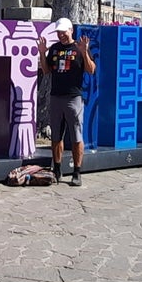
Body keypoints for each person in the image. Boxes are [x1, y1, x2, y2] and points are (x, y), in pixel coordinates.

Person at [39, 17, 96, 185]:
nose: (61, 35)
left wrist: (84, 51)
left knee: (76, 135)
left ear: (71, 30)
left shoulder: (79, 48)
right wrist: (42, 52)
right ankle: (57, 169)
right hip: (56, 96)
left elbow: (91, 70)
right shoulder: (55, 48)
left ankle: (77, 172)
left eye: (64, 32)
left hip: (74, 97)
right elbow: (46, 70)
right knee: (56, 136)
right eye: (58, 32)